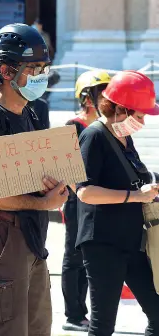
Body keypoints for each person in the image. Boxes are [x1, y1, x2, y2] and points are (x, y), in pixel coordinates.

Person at [0, 23, 68, 336]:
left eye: (44, 68)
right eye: (34, 68)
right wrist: (42, 202)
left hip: (32, 242)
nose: (41, 75)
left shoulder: (30, 114)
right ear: (6, 71)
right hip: (0, 241)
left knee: (36, 328)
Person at [76, 70, 159, 336]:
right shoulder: (93, 136)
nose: (143, 122)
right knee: (102, 326)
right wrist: (135, 196)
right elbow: (85, 192)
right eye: (140, 115)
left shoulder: (124, 135)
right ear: (121, 109)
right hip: (102, 243)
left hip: (132, 241)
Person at [61, 70, 111, 332]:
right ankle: (73, 314)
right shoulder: (74, 125)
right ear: (87, 97)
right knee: (73, 256)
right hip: (76, 200)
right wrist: (83, 193)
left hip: (94, 199)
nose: (107, 97)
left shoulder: (105, 126)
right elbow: (67, 168)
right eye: (101, 92)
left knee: (89, 256)